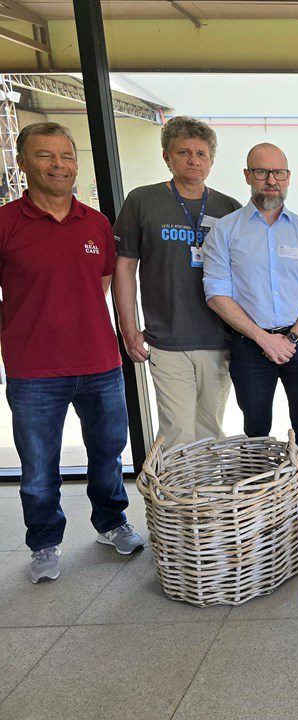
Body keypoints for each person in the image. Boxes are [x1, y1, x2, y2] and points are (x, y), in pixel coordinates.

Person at [0, 122, 143, 584]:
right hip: (33, 368)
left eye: (65, 156)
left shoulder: (97, 223)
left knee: (108, 453)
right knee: (39, 467)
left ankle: (111, 523)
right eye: (45, 155)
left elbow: (103, 282)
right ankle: (44, 543)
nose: (58, 164)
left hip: (100, 362)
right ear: (22, 163)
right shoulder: (5, 224)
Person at [203, 143, 298, 527]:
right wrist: (265, 339)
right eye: (262, 172)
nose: (271, 181)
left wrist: (292, 338)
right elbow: (216, 293)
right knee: (256, 427)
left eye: (278, 173)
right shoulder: (226, 231)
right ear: (247, 176)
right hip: (251, 345)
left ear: (288, 178)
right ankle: (258, 504)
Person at [114, 117, 241, 447]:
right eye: (183, 151)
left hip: (218, 338)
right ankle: (178, 499)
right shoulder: (143, 201)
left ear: (211, 161)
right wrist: (129, 330)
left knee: (210, 431)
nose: (193, 160)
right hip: (167, 338)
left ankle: (205, 498)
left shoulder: (229, 208)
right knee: (177, 433)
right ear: (166, 156)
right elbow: (124, 269)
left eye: (201, 153)